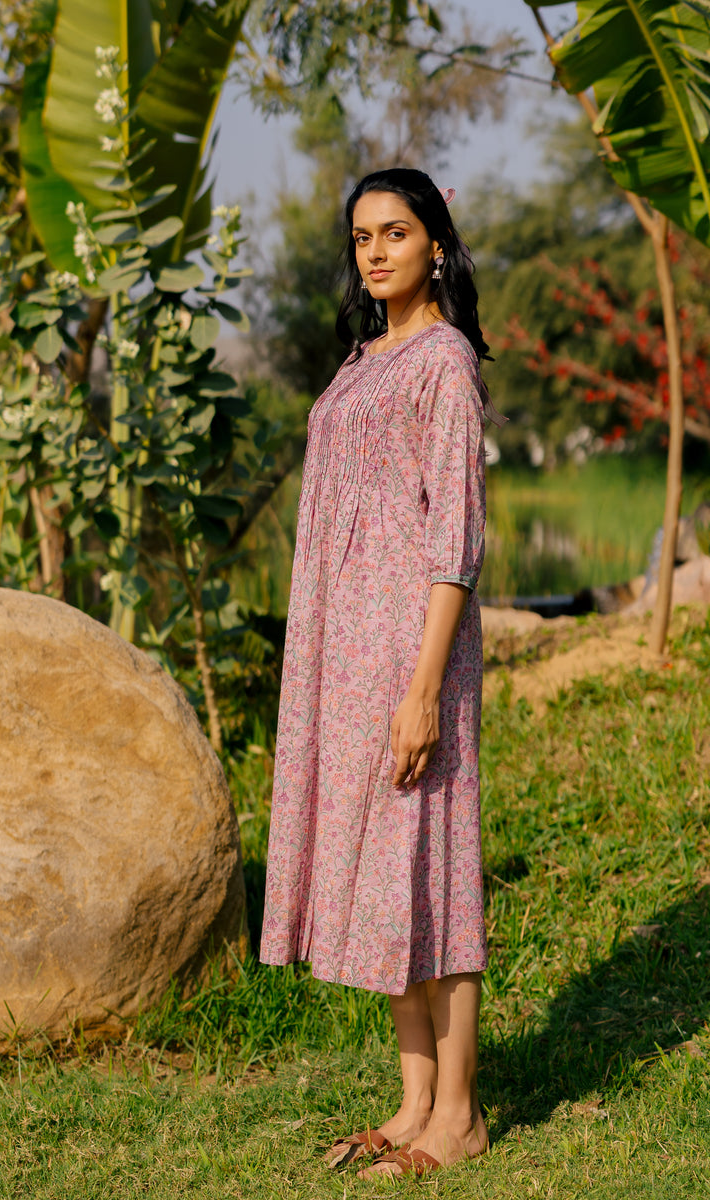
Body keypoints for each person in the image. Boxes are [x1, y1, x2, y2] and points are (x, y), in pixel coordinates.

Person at [259, 167, 502, 1180]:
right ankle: (410, 1103)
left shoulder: (441, 361)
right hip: (343, 658)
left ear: (434, 245)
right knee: (381, 875)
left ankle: (458, 1114)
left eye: (394, 233)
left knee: (432, 873)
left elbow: (453, 540)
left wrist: (419, 691)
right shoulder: (362, 360)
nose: (374, 252)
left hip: (410, 655)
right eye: (361, 236)